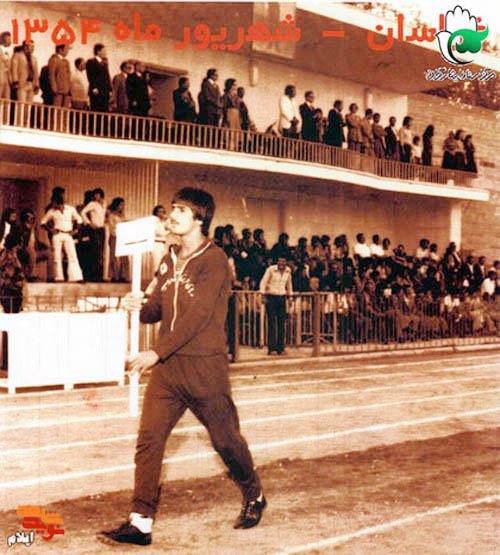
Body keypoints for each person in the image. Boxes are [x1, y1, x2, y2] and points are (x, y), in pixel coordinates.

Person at [98, 188, 266, 546]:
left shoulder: (215, 261)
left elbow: (197, 317)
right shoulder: (168, 258)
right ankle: (141, 521)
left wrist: (155, 353)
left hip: (204, 369)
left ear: (199, 219)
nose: (172, 216)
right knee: (149, 440)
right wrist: (137, 306)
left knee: (225, 441)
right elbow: (155, 310)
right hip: (169, 371)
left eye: (181, 210)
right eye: (172, 209)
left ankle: (254, 493)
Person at [40, 191, 83, 282]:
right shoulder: (51, 211)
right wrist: (51, 229)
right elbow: (43, 222)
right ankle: (58, 277)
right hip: (57, 234)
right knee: (57, 256)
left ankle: (76, 277)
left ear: (57, 202)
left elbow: (79, 220)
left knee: (72, 255)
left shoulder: (70, 209)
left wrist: (75, 230)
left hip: (68, 234)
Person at [259, 255, 292, 355]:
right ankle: (272, 348)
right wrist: (263, 295)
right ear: (277, 262)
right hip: (271, 297)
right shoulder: (271, 270)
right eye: (280, 261)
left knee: (281, 323)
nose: (281, 264)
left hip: (282, 297)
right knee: (272, 323)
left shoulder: (288, 271)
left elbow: (289, 284)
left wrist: (290, 297)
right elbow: (263, 282)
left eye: (283, 261)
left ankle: (281, 348)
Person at [81, 188, 106, 281]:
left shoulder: (104, 204)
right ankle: (94, 276)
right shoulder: (92, 204)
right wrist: (89, 223)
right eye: (95, 195)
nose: (96, 197)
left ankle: (100, 275)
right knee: (95, 251)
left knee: (101, 252)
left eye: (98, 195)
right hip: (94, 229)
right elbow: (83, 212)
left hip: (101, 228)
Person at [106, 197, 130, 282]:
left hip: (123, 237)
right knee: (114, 257)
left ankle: (123, 276)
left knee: (124, 257)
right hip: (115, 236)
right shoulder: (112, 215)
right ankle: (114, 276)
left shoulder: (122, 215)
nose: (122, 207)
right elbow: (112, 227)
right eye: (121, 205)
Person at [0, 232, 25, 313]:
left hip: (11, 289)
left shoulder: (9, 255)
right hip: (10, 290)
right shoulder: (9, 257)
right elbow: (9, 274)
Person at [86, 43, 112, 112]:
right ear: (98, 51)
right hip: (96, 90)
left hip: (105, 91)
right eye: (104, 51)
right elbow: (90, 76)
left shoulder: (104, 63)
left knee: (104, 110)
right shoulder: (91, 61)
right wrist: (94, 87)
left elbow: (107, 76)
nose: (105, 53)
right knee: (96, 109)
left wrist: (110, 89)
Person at [0, 31, 11, 99]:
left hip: (6, 77)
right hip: (1, 75)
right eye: (7, 39)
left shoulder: (7, 51)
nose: (9, 40)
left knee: (6, 97)